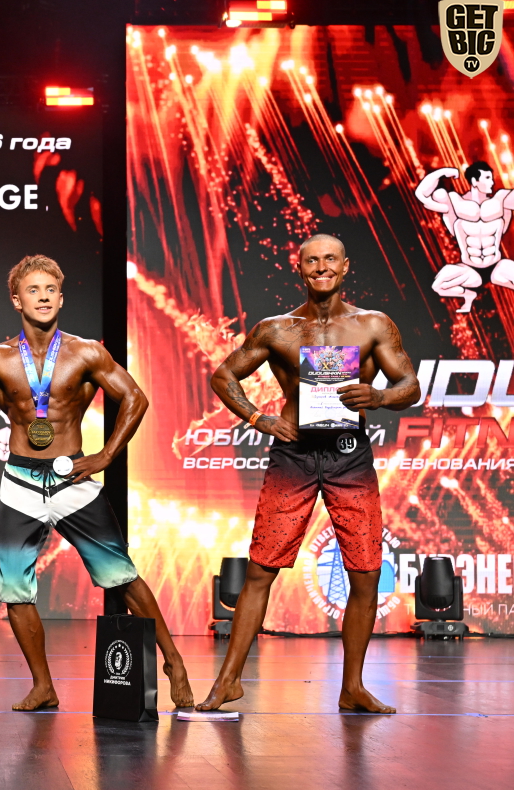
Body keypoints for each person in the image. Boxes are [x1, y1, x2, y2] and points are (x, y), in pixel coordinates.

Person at [0, 254, 193, 711]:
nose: (43, 298)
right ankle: (43, 685)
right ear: (17, 300)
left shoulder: (86, 352)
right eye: (33, 290)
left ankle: (174, 661)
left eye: (50, 290)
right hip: (20, 481)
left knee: (120, 575)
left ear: (61, 297)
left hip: (72, 476)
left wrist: (106, 456)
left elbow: (135, 398)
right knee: (15, 589)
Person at [196, 233, 420, 714]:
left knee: (366, 573)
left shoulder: (373, 324)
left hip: (348, 455)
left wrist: (379, 396)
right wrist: (259, 418)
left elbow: (410, 384)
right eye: (312, 260)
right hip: (293, 455)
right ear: (300, 268)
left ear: (345, 266)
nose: (322, 267)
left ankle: (352, 687)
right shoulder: (276, 329)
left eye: (330, 259)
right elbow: (223, 375)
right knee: (261, 570)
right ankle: (227, 682)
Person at [415, 161, 514, 313]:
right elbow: (422, 195)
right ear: (474, 181)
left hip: (496, 265)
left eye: (492, 178)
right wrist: (441, 172)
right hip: (470, 269)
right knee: (438, 286)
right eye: (487, 178)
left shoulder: (501, 199)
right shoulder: (454, 202)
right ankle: (469, 295)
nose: (492, 182)